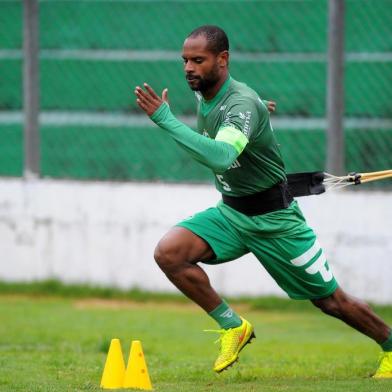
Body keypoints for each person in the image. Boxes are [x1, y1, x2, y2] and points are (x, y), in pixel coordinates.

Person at [134, 25, 392, 377]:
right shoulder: (209, 93)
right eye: (185, 61)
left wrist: (165, 119)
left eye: (198, 60)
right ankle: (233, 326)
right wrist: (258, 108)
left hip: (275, 221)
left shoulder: (239, 103)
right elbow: (238, 115)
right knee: (170, 253)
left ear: (222, 60)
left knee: (331, 301)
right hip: (232, 213)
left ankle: (390, 345)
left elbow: (223, 155)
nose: (188, 68)